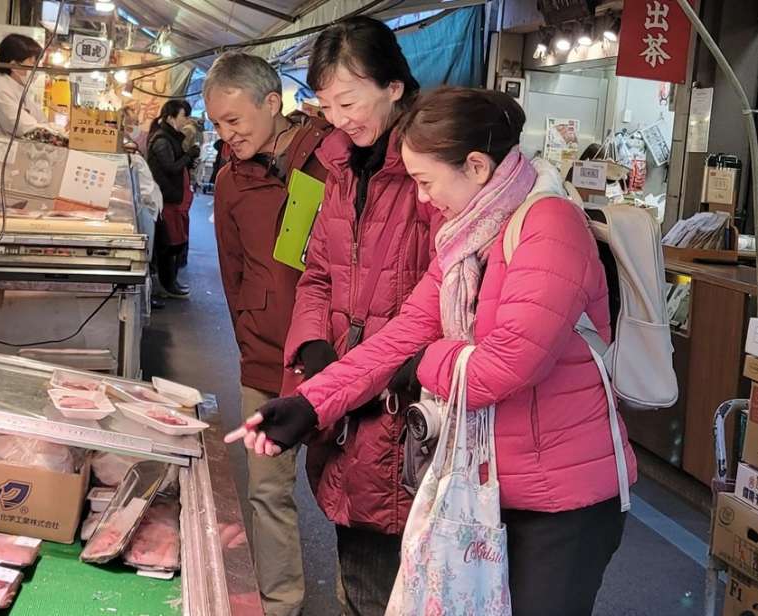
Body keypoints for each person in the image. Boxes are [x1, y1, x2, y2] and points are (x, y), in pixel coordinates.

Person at [227, 86, 635, 616]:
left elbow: (506, 364)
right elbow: (402, 334)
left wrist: (424, 364)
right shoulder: (467, 236)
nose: (421, 198)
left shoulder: (550, 225)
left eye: (425, 181)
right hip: (485, 485)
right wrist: (310, 403)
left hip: (563, 498)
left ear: (476, 166)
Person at [265, 18, 439, 616]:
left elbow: (450, 299)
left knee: (408, 583)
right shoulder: (337, 167)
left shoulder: (428, 170)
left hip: (405, 403)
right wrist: (315, 350)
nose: (339, 117)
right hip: (344, 403)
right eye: (327, 103)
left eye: (349, 100)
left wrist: (391, 372)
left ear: (394, 86)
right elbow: (316, 271)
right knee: (358, 572)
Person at [202, 51, 332, 616]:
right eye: (217, 126)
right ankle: (281, 603)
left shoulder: (330, 162)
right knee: (267, 491)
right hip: (264, 361)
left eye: (235, 122)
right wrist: (251, 336)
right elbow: (231, 273)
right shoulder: (231, 180)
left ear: (273, 105)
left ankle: (368, 600)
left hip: (334, 360)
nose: (227, 135)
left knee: (354, 494)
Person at [145, 100, 198, 299]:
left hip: (171, 197)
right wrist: (189, 155)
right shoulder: (162, 139)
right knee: (167, 245)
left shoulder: (171, 137)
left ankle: (168, 284)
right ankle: (166, 286)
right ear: (170, 117)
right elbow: (171, 167)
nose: (186, 120)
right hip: (164, 198)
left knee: (171, 243)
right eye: (184, 115)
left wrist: (188, 158)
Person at [0, 34, 62, 137]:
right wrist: (57, 131)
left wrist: (56, 129)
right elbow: (25, 128)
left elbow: (41, 120)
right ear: (14, 66)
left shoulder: (19, 89)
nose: (38, 68)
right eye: (34, 63)